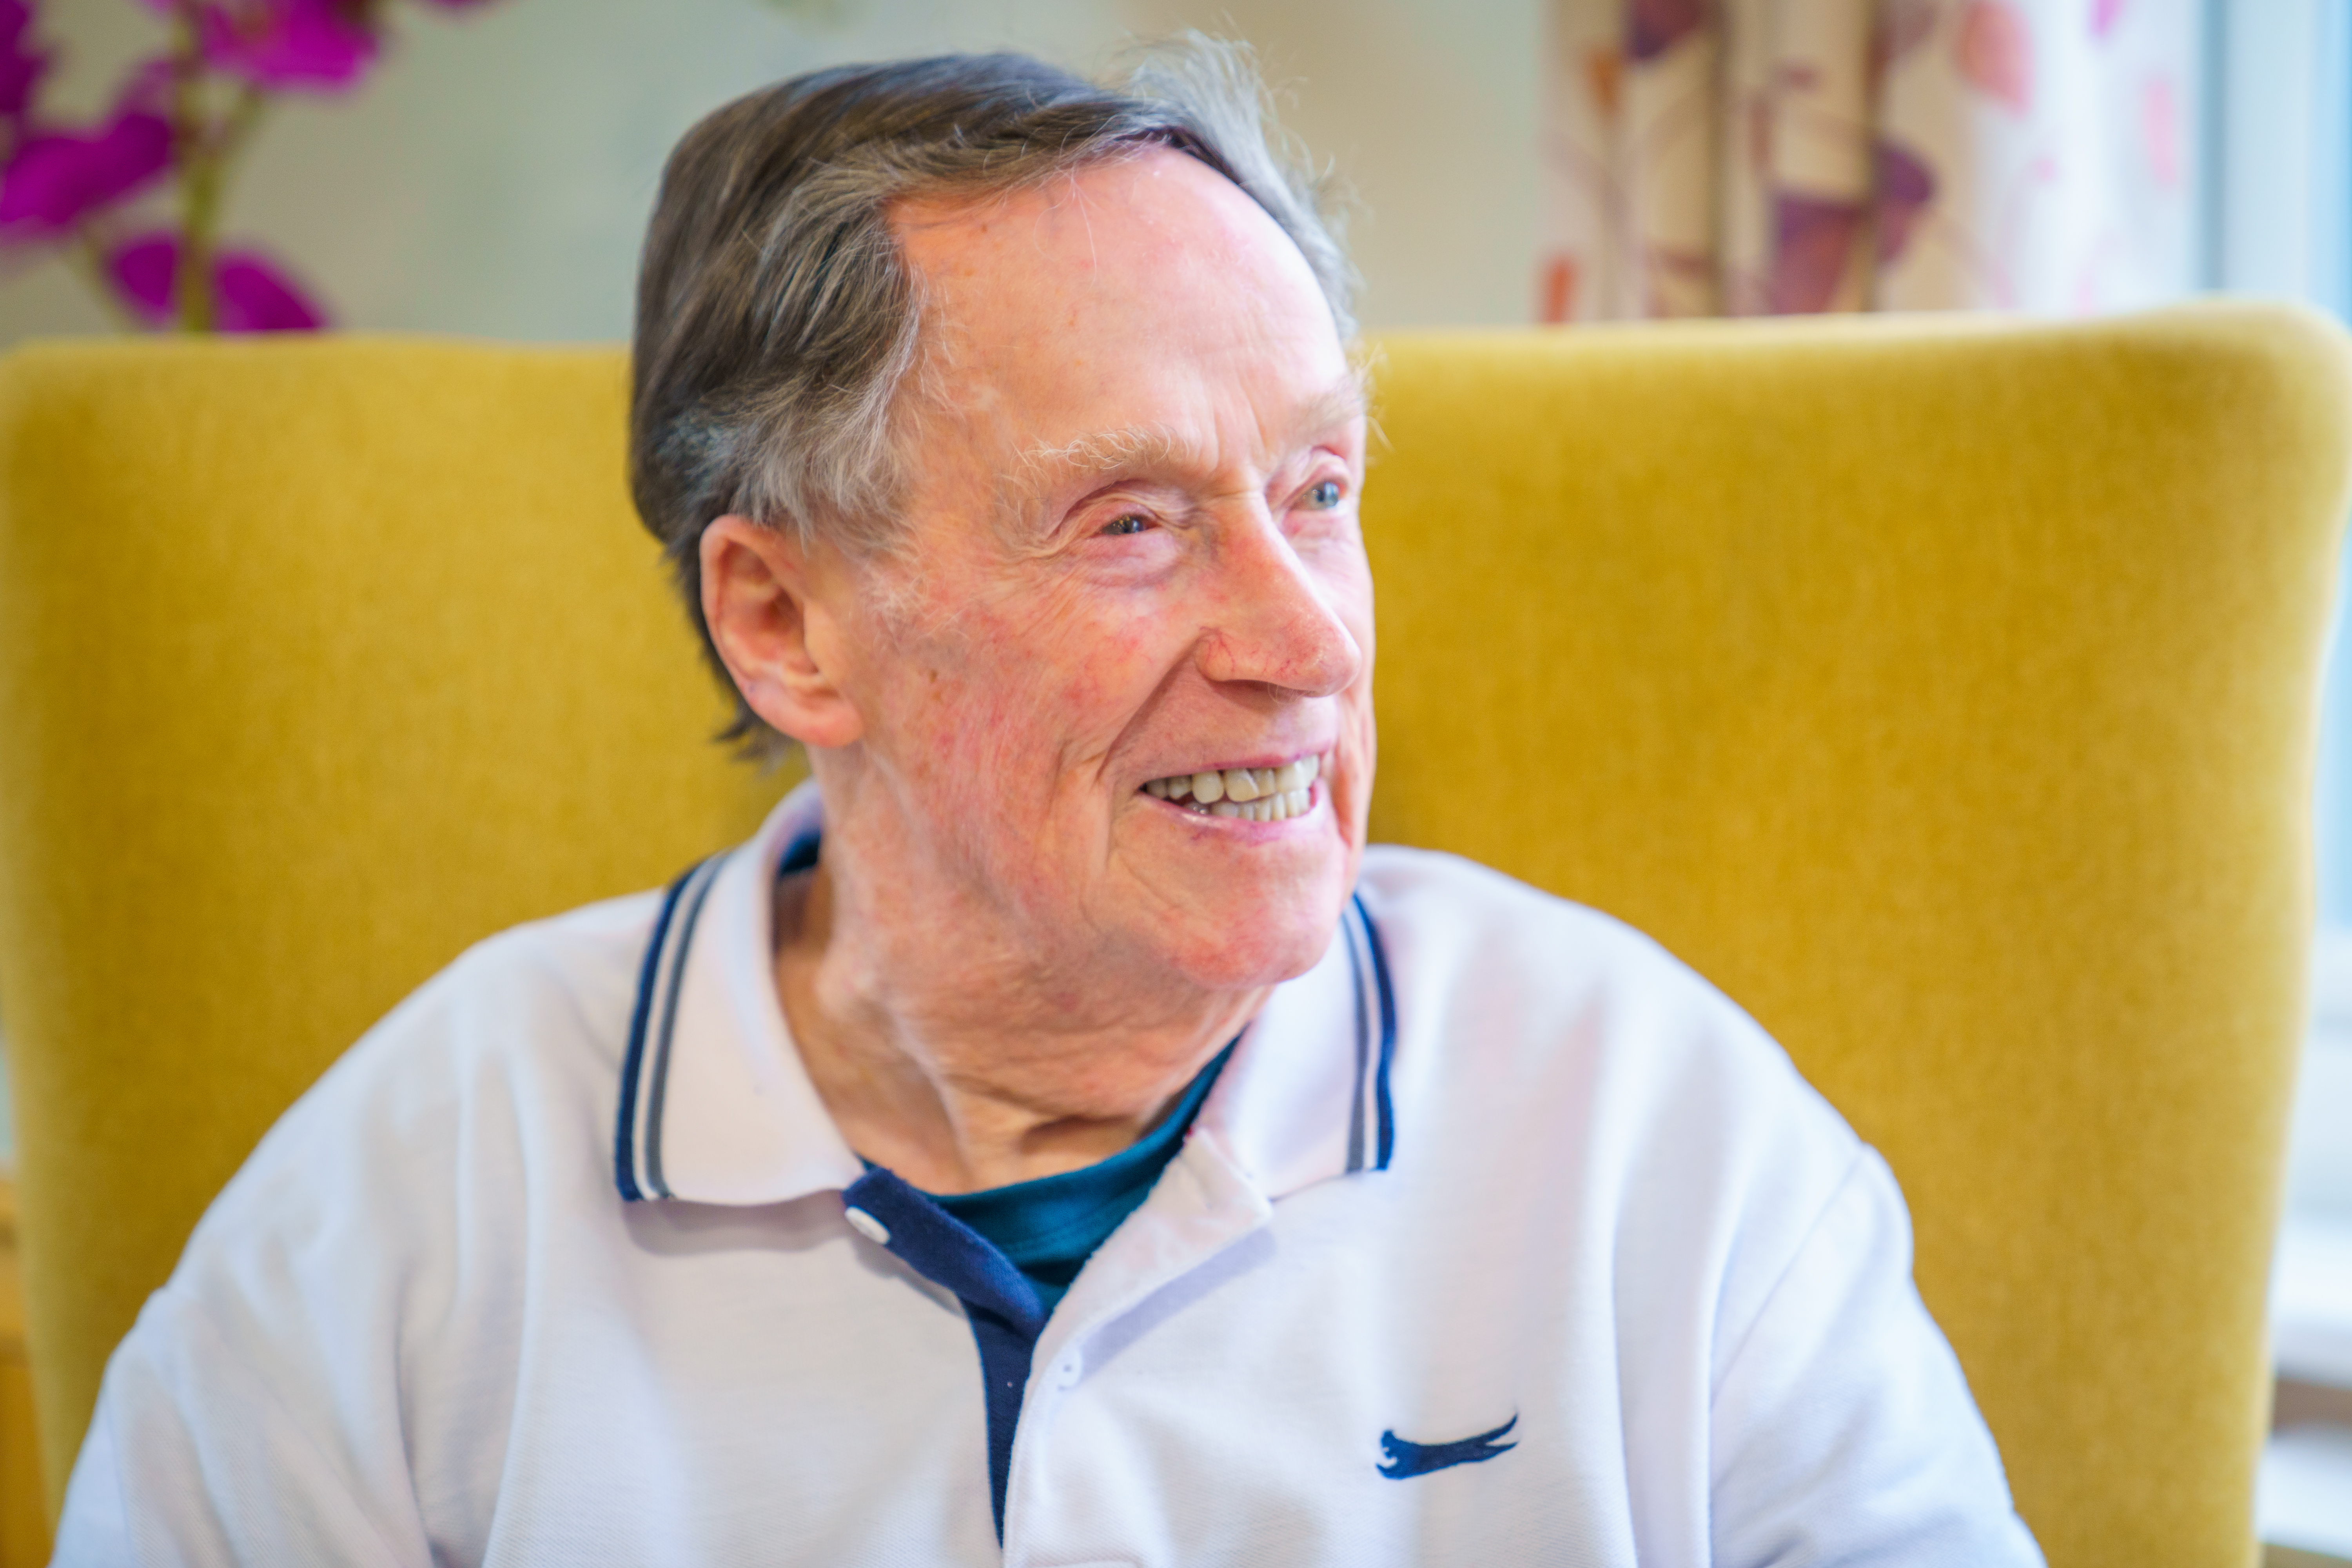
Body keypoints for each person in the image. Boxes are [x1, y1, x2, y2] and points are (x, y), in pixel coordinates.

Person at [53, 40, 2044, 1567]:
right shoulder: (424, 1184)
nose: (1307, 638)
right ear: (785, 621)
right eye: (1133, 520)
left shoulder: (1655, 1138)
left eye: (1321, 491)